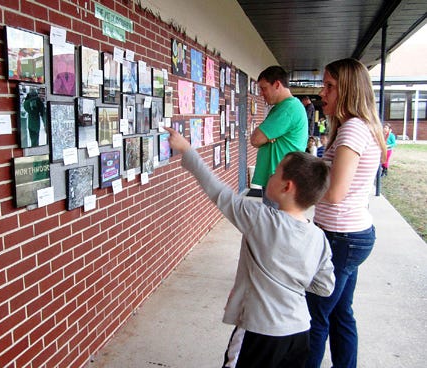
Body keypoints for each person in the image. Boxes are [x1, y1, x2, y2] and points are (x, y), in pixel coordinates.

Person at [164, 126, 335, 368]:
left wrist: (186, 149)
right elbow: (325, 286)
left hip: (259, 330)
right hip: (299, 332)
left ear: (287, 187)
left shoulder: (260, 219)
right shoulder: (319, 238)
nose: (270, 175)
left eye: (275, 172)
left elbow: (218, 192)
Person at [305, 58, 387, 368]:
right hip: (352, 235)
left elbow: (336, 193)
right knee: (340, 312)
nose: (322, 94)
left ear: (349, 90)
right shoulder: (360, 126)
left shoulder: (353, 129)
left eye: (330, 87)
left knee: (315, 316)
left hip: (341, 238)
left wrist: (297, 186)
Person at [250, 66, 308, 207]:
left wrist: (265, 136)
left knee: (274, 225)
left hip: (280, 180)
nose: (262, 94)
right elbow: (257, 140)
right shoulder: (283, 107)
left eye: (264, 88)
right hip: (279, 177)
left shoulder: (287, 109)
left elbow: (255, 139)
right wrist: (266, 136)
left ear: (277, 84)